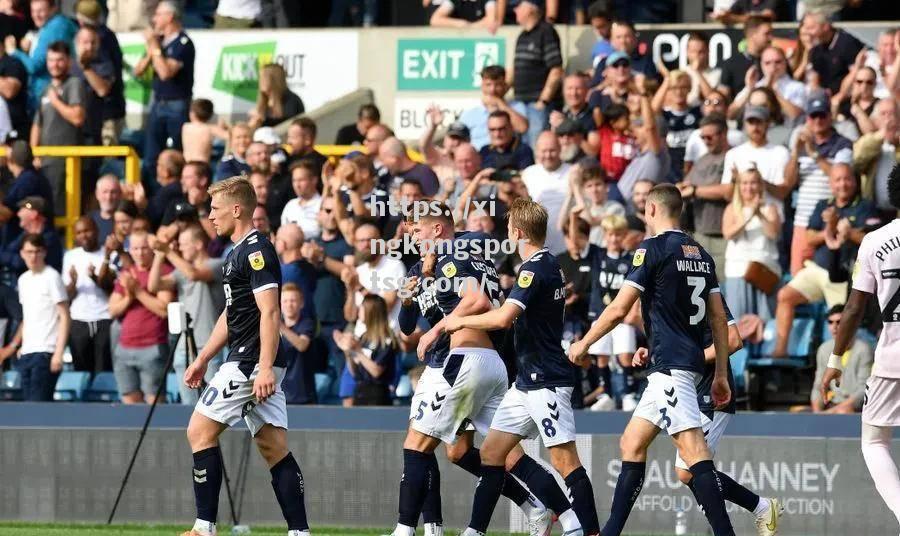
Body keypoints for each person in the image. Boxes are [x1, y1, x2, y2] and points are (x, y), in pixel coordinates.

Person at [388, 202, 566, 536]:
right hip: (469, 362)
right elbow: (405, 327)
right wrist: (408, 299)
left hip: (456, 362)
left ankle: (417, 529)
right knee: (465, 452)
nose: (412, 237)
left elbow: (477, 296)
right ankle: (544, 510)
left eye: (416, 229)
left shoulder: (455, 254)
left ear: (435, 228)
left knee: (420, 443)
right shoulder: (420, 270)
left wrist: (439, 327)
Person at [569, 184, 736, 536]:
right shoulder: (702, 254)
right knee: (632, 442)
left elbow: (617, 309)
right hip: (678, 365)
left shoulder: (652, 249)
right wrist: (720, 371)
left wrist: (583, 343)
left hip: (671, 368)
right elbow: (719, 319)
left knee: (693, 453)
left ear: (650, 210)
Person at [445, 198, 600, 536]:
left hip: (546, 380)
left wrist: (457, 321)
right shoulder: (549, 264)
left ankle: (588, 530)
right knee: (491, 452)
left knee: (565, 460)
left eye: (508, 230)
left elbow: (503, 318)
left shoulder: (535, 268)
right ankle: (475, 531)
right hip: (526, 381)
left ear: (516, 232)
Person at [180, 176, 310, 536]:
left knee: (199, 430)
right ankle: (300, 532)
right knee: (273, 446)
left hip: (252, 360)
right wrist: (204, 356)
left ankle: (204, 528)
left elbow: (270, 313)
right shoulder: (236, 252)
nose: (210, 216)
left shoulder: (257, 251)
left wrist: (264, 366)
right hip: (252, 358)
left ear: (236, 210)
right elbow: (233, 313)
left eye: (216, 209)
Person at [634, 297, 785, 535]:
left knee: (689, 469)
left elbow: (733, 340)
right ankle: (761, 507)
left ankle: (759, 508)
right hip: (688, 393)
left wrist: (688, 360)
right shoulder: (672, 298)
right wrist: (652, 353)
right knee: (685, 471)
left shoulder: (704, 287)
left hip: (711, 392)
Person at [822, 164, 900, 533]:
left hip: (891, 357)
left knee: (873, 441)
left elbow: (853, 308)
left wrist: (836, 360)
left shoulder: (874, 241)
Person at [773, 164, 875, 358]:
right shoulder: (823, 205)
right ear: (830, 183)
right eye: (837, 180)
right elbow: (810, 237)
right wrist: (830, 227)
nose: (842, 184)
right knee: (784, 296)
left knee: (842, 319)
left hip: (846, 276)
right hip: (817, 270)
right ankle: (780, 351)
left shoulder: (865, 206)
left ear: (855, 181)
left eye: (847, 179)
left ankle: (840, 362)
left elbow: (871, 239)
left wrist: (849, 232)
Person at [148, 225, 226, 405]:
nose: (180, 248)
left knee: (215, 403)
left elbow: (194, 274)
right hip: (184, 345)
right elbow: (154, 286)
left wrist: (167, 250)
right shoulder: (181, 270)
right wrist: (160, 257)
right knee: (189, 403)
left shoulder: (217, 264)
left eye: (184, 244)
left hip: (209, 344)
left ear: (198, 245)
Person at [784, 92, 854, 275]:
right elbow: (788, 182)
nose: (817, 120)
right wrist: (795, 153)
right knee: (797, 278)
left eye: (822, 115)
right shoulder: (801, 143)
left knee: (828, 279)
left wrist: (813, 152)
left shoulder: (842, 143)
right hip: (802, 221)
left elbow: (839, 175)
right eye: (813, 115)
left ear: (830, 116)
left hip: (829, 219)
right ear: (807, 118)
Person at [581, 214, 639, 410]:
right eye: (610, 234)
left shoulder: (631, 259)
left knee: (625, 355)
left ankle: (629, 394)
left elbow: (639, 287)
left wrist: (634, 311)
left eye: (618, 235)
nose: (614, 239)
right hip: (600, 314)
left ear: (625, 235)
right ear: (604, 234)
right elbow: (577, 237)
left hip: (623, 317)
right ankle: (606, 394)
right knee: (602, 355)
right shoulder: (597, 255)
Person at [108, 230, 174, 404]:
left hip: (152, 347)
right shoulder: (128, 273)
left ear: (151, 249)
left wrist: (136, 291)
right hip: (124, 347)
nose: (139, 253)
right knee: (129, 402)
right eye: (135, 248)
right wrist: (129, 297)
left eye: (144, 248)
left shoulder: (164, 271)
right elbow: (112, 310)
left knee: (155, 404)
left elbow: (163, 309)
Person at [134, 1, 195, 181]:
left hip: (177, 105)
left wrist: (154, 47)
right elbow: (138, 71)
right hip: (157, 103)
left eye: (158, 14)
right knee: (151, 156)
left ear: (169, 17)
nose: (154, 19)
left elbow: (165, 72)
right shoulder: (159, 43)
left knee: (175, 155)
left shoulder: (183, 43)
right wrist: (153, 48)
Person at [29, 40, 85, 217]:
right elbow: (37, 124)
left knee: (61, 210)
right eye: (51, 60)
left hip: (65, 162)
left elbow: (78, 117)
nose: (55, 64)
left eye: (59, 60)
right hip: (44, 161)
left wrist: (56, 102)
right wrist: (34, 153)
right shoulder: (47, 89)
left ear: (69, 61)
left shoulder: (74, 83)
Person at [678, 114, 733, 282]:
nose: (705, 141)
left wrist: (695, 191)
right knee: (700, 288)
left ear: (723, 134)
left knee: (723, 290)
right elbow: (688, 184)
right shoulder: (702, 160)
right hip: (700, 234)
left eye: (709, 136)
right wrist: (681, 188)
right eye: (703, 137)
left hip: (723, 236)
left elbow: (728, 191)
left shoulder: (733, 156)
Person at [721, 167, 781, 321]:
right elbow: (728, 233)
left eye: (753, 183)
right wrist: (748, 216)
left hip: (763, 271)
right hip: (738, 271)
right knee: (738, 321)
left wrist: (759, 213)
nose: (749, 187)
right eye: (744, 183)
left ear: (760, 185)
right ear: (739, 186)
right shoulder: (732, 209)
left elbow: (773, 233)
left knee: (765, 321)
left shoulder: (771, 208)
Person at [15, 233, 68, 401]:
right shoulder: (23, 280)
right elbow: (28, 316)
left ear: (44, 252)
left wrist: (58, 353)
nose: (33, 256)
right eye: (29, 252)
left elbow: (65, 315)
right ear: (22, 253)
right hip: (27, 352)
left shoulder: (52, 276)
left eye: (37, 251)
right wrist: (21, 346)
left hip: (46, 351)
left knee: (38, 405)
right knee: (27, 407)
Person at [63, 216, 113, 375]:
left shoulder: (107, 254)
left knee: (103, 370)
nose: (83, 235)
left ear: (96, 231)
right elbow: (68, 295)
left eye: (87, 231)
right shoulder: (70, 256)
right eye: (79, 232)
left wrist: (94, 278)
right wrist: (73, 281)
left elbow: (110, 289)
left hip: (104, 317)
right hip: (79, 320)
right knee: (81, 371)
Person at [7, 0, 77, 113]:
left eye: (41, 11)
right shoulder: (58, 23)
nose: (36, 15)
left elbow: (34, 66)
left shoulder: (54, 27)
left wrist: (14, 51)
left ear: (53, 8)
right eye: (33, 11)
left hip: (48, 98)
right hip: (50, 96)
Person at [511, 0, 563, 149]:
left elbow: (556, 69)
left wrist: (543, 101)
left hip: (537, 104)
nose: (515, 10)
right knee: (522, 148)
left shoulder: (546, 31)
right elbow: (515, 70)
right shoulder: (522, 36)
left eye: (519, 6)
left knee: (537, 147)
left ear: (530, 9)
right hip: (520, 104)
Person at [720, 105, 791, 213]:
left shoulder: (781, 152)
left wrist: (757, 180)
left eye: (759, 122)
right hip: (741, 218)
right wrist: (736, 181)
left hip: (771, 217)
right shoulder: (733, 154)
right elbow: (727, 196)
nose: (755, 126)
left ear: (767, 123)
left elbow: (783, 192)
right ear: (745, 124)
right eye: (751, 122)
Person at [74, 0, 125, 146]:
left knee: (105, 160)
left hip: (106, 113)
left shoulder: (99, 40)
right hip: (101, 113)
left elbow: (104, 87)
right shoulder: (107, 35)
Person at [334, 293, 396, 406]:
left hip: (378, 396)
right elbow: (356, 372)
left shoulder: (386, 339)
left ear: (371, 312)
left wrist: (358, 351)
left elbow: (377, 371)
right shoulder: (363, 337)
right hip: (360, 392)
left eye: (362, 308)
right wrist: (348, 352)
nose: (359, 310)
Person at [810, 304, 872, 414]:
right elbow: (818, 386)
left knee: (843, 411)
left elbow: (864, 389)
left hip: (858, 409)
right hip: (833, 406)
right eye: (830, 322)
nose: (834, 327)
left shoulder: (863, 349)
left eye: (839, 322)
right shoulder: (824, 349)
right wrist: (817, 412)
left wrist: (833, 412)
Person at [458, 65, 529, 151]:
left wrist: (500, 103)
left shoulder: (516, 106)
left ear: (504, 85)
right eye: (488, 85)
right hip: (477, 157)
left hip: (507, 156)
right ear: (482, 85)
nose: (493, 90)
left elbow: (522, 128)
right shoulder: (470, 111)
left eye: (497, 85)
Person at [651, 69, 702, 182]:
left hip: (694, 165)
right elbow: (653, 109)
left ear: (689, 89)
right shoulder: (665, 114)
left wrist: (697, 72)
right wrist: (667, 81)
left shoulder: (696, 112)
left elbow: (712, 98)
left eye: (683, 87)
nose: (678, 92)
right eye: (674, 88)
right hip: (671, 166)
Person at [0, 141, 54, 245]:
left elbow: (4, 214)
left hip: (27, 245)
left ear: (10, 161)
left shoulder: (26, 180)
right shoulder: (35, 176)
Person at [71, 25, 114, 145]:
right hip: (70, 130)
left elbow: (102, 90)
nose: (89, 47)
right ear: (77, 43)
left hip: (93, 128)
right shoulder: (69, 65)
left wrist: (86, 68)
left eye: (93, 43)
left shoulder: (104, 65)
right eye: (85, 42)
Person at [804, 11, 865, 95]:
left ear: (825, 27)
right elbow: (814, 79)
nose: (808, 33)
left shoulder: (847, 43)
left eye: (811, 28)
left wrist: (839, 97)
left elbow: (857, 76)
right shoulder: (815, 49)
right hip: (825, 96)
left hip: (848, 95)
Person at [717, 16, 772, 98]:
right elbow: (723, 98)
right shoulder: (731, 64)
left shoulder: (775, 62)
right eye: (767, 34)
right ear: (753, 35)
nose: (771, 38)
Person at [280, 283, 316, 405]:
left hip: (303, 393)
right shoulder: (272, 328)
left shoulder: (307, 324)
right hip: (280, 393)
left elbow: (302, 345)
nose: (289, 305)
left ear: (301, 303)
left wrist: (280, 327)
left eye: (293, 301)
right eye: (285, 301)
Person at [248, 63, 304, 130]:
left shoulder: (291, 100)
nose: (260, 81)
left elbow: (288, 124)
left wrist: (263, 119)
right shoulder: (264, 101)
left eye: (263, 78)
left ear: (275, 80)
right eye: (260, 78)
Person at [280, 160, 323, 241]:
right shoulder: (290, 205)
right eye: (294, 180)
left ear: (314, 180)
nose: (297, 185)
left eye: (301, 180)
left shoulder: (323, 204)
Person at [181, 98, 229, 164]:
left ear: (192, 114)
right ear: (210, 115)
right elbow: (230, 136)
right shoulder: (210, 128)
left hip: (187, 163)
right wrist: (226, 128)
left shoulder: (186, 127)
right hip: (203, 164)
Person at [89, 174, 122, 243]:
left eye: (113, 192)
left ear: (120, 194)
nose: (108, 197)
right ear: (97, 194)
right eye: (105, 192)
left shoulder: (127, 220)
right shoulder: (88, 220)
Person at [428, 0, 499, 31]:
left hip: (483, 38)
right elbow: (435, 20)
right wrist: (459, 23)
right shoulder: (454, 1)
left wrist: (471, 27)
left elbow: (491, 19)